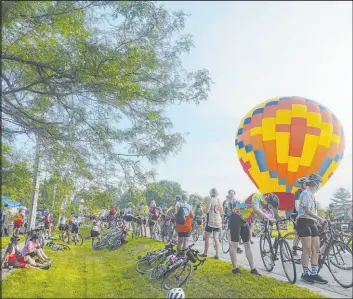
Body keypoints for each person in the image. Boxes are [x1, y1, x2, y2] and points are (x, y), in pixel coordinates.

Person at [229, 192, 278, 276]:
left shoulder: (262, 205)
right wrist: (268, 217)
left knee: (247, 244)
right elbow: (255, 209)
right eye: (269, 206)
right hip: (236, 217)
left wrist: (267, 219)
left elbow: (256, 214)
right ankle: (235, 268)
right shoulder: (257, 196)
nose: (268, 208)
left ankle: (253, 269)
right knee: (234, 244)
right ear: (267, 201)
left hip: (244, 221)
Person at [297, 173, 327, 284]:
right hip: (303, 222)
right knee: (307, 249)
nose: (319, 186)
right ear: (314, 183)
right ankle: (305, 274)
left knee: (316, 248)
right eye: (319, 183)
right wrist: (320, 219)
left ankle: (314, 273)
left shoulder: (312, 195)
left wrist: (318, 220)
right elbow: (306, 210)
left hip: (311, 222)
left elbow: (312, 211)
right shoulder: (306, 193)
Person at [201, 188, 223, 259]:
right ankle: (217, 255)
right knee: (216, 238)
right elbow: (221, 211)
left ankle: (205, 253)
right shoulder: (219, 200)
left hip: (210, 221)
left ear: (211, 193)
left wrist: (203, 209)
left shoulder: (210, 199)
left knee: (207, 238)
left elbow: (207, 211)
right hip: (218, 222)